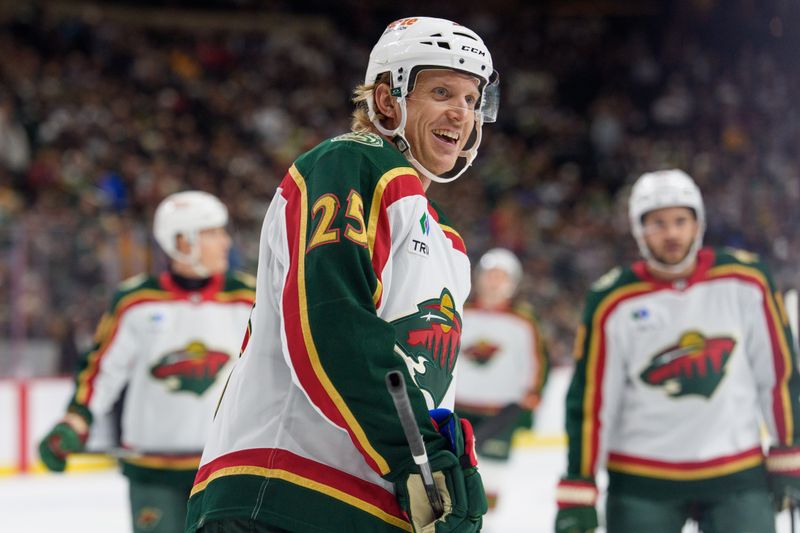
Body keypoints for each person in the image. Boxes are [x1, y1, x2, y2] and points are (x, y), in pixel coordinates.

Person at [186, 16, 499, 533]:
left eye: (471, 99)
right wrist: (415, 458)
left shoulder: (449, 244)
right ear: (386, 100)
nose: (460, 114)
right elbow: (332, 323)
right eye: (441, 91)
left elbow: (420, 381)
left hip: (374, 503)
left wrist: (444, 460)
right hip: (286, 493)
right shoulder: (350, 162)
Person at [555, 169, 800, 533]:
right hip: (642, 480)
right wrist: (580, 484)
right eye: (657, 223)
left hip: (736, 473)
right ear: (639, 230)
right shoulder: (611, 299)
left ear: (697, 223)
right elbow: (591, 402)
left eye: (680, 220)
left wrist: (788, 454)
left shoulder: (747, 279)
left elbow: (778, 375)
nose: (671, 233)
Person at [39, 191, 256, 533]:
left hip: (225, 471)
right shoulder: (135, 301)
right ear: (183, 241)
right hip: (153, 472)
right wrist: (76, 419)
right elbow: (102, 371)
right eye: (213, 233)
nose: (226, 241)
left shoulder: (248, 297)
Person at [454, 248, 549, 513]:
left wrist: (531, 398)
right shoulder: (460, 312)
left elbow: (537, 362)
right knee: (450, 475)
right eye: (490, 275)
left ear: (513, 283)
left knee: (491, 477)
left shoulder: (523, 322)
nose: (494, 281)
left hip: (501, 412)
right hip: (457, 407)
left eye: (501, 276)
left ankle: (486, 523)